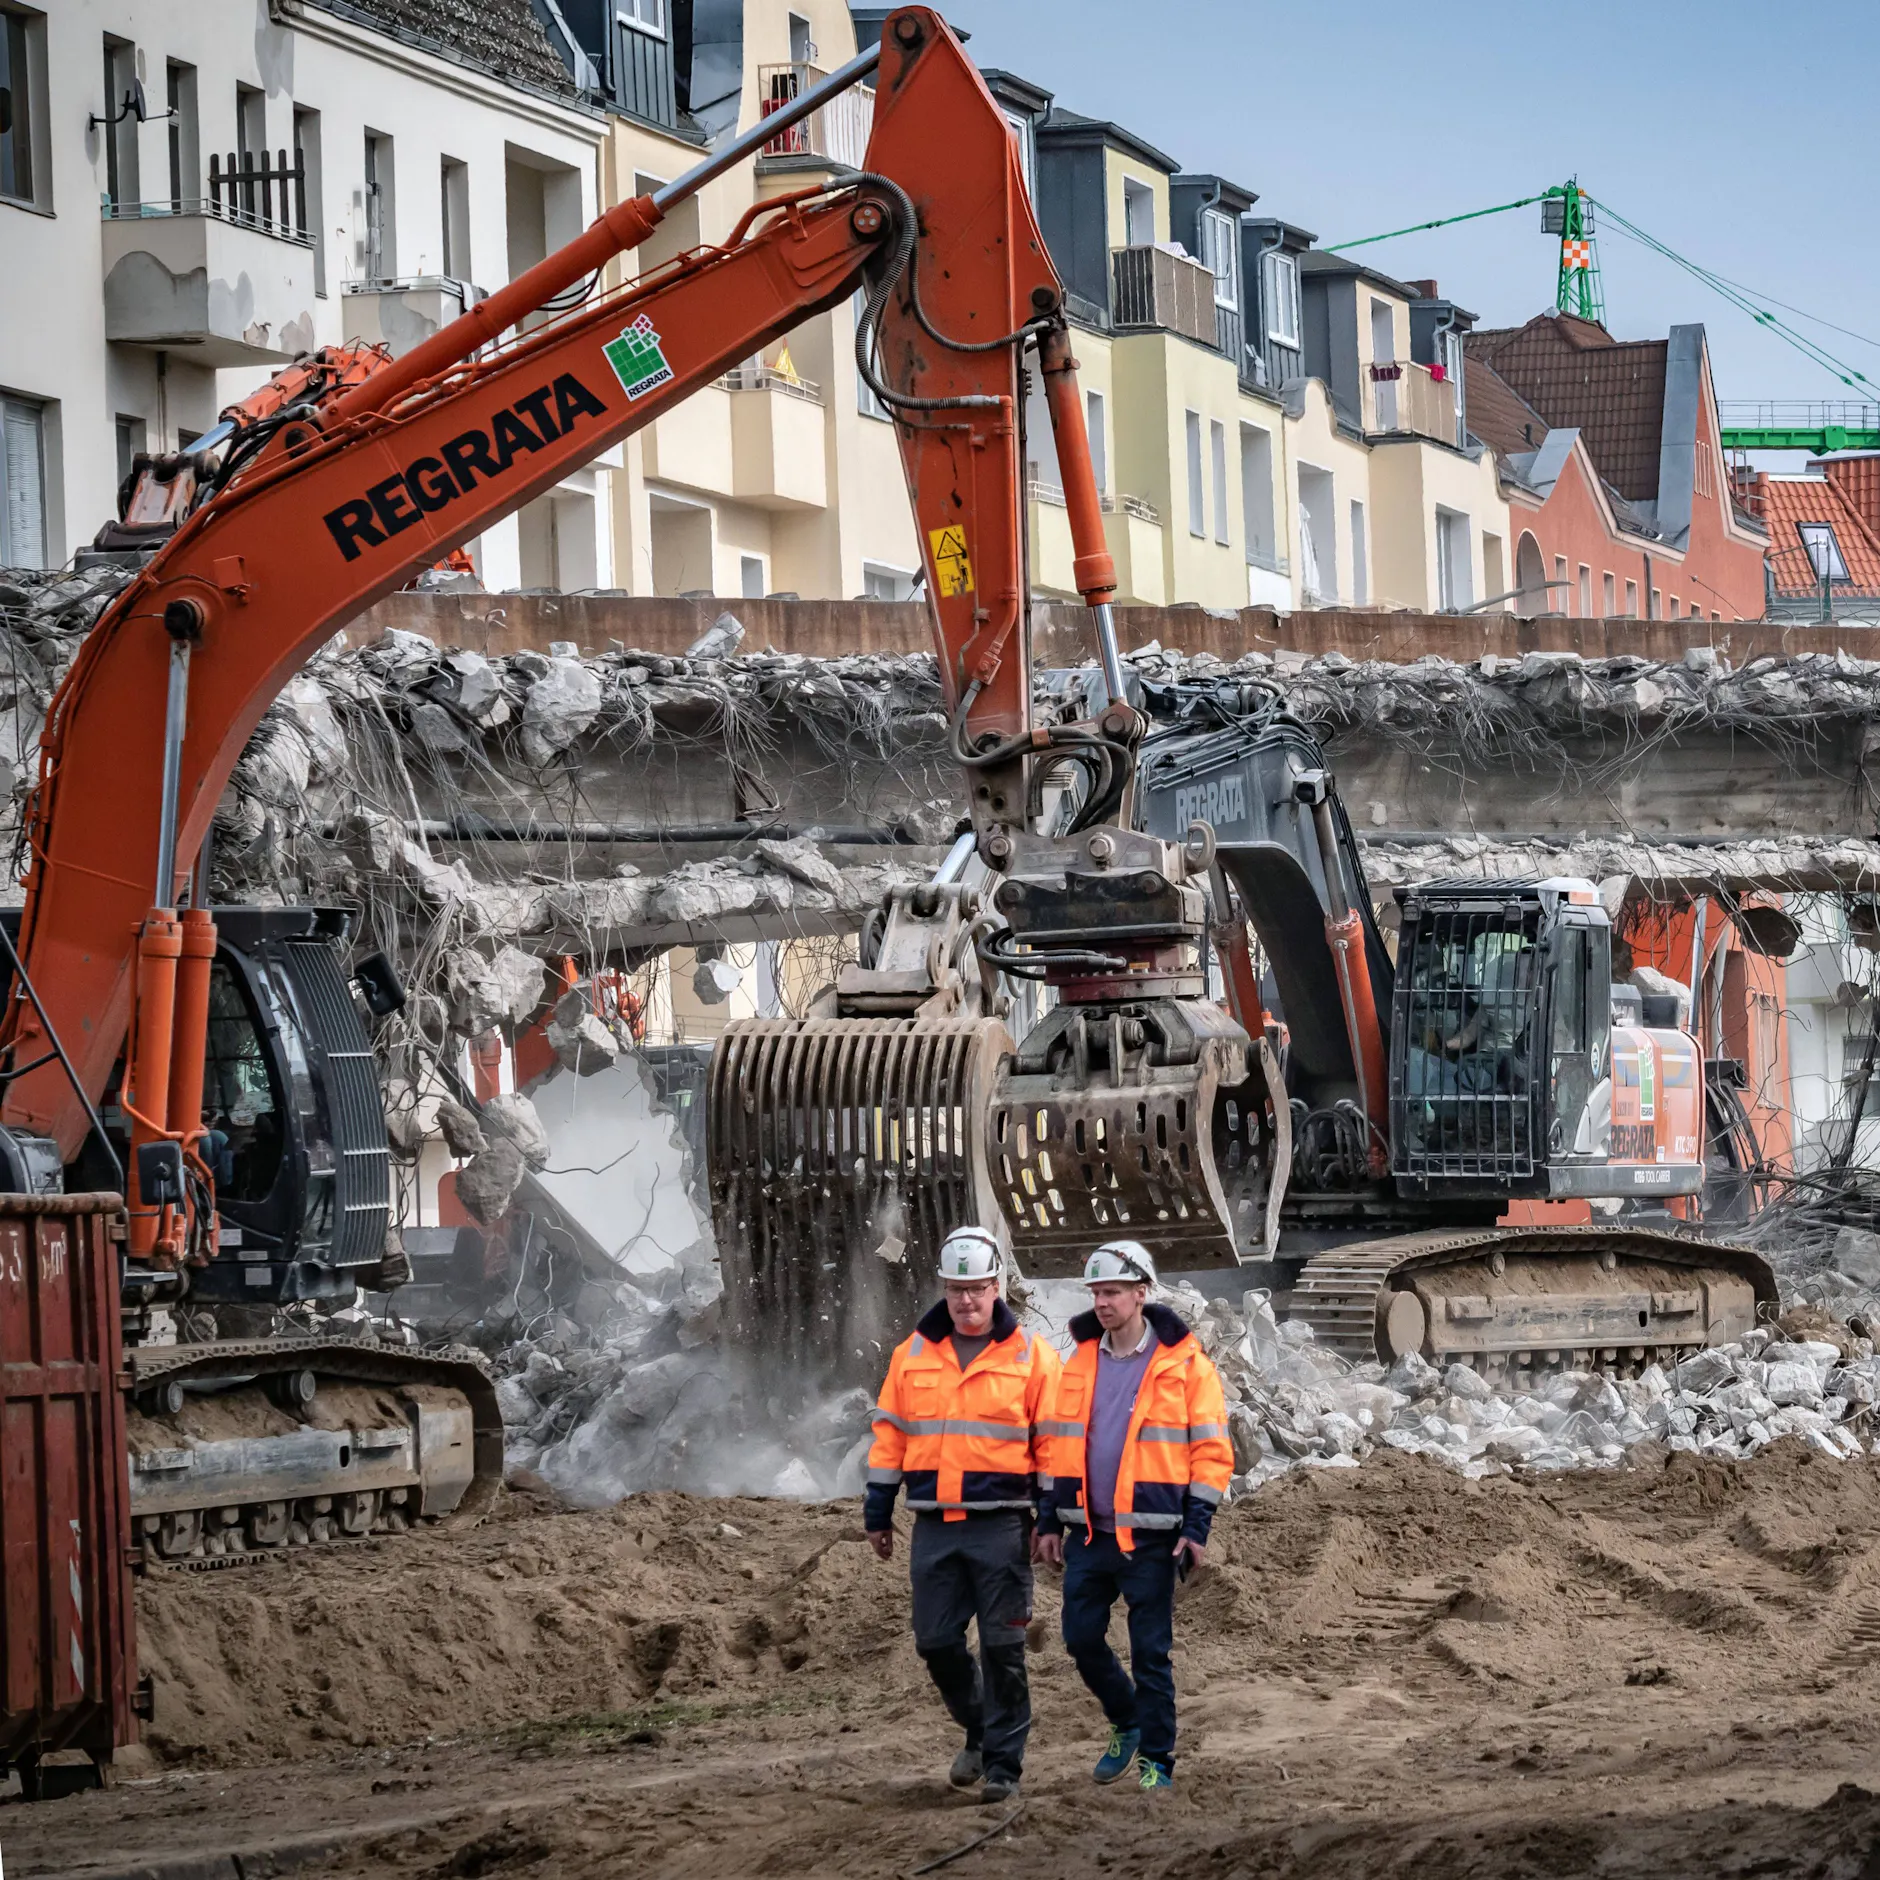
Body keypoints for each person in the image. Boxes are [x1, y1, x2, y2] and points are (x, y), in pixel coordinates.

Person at [864, 1224, 1062, 1805]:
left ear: (997, 1285)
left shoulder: (1032, 1356)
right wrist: (878, 1510)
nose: (967, 1300)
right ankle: (979, 1729)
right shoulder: (912, 1355)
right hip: (933, 1527)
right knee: (935, 1642)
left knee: (1003, 1648)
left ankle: (1004, 1766)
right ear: (944, 1289)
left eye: (977, 1288)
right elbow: (889, 1438)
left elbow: (1053, 1444)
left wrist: (1050, 1520)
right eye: (956, 1289)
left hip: (1003, 1525)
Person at [1036, 1240, 1232, 1794]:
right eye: (1096, 1292)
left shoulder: (1186, 1366)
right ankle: (1126, 1719)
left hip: (1152, 1536)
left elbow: (1211, 1452)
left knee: (1150, 1652)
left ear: (1141, 1293)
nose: (1102, 1302)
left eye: (1113, 1291)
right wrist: (1049, 1519)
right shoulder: (1080, 1362)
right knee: (1079, 1638)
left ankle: (1157, 1761)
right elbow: (1057, 1446)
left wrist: (1196, 1528)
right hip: (1090, 1533)